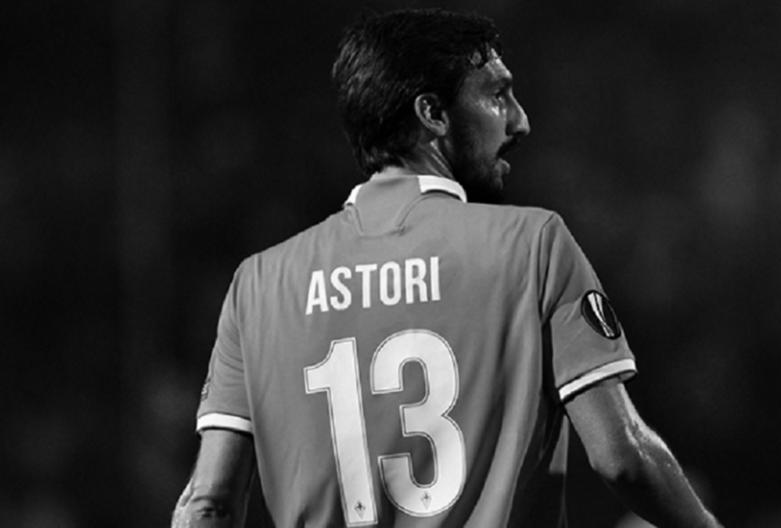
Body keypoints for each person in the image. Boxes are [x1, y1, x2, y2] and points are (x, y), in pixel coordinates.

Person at [173, 8, 721, 528]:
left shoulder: (258, 285)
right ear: (432, 114)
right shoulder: (533, 245)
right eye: (498, 96)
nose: (520, 122)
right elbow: (622, 458)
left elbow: (208, 503)